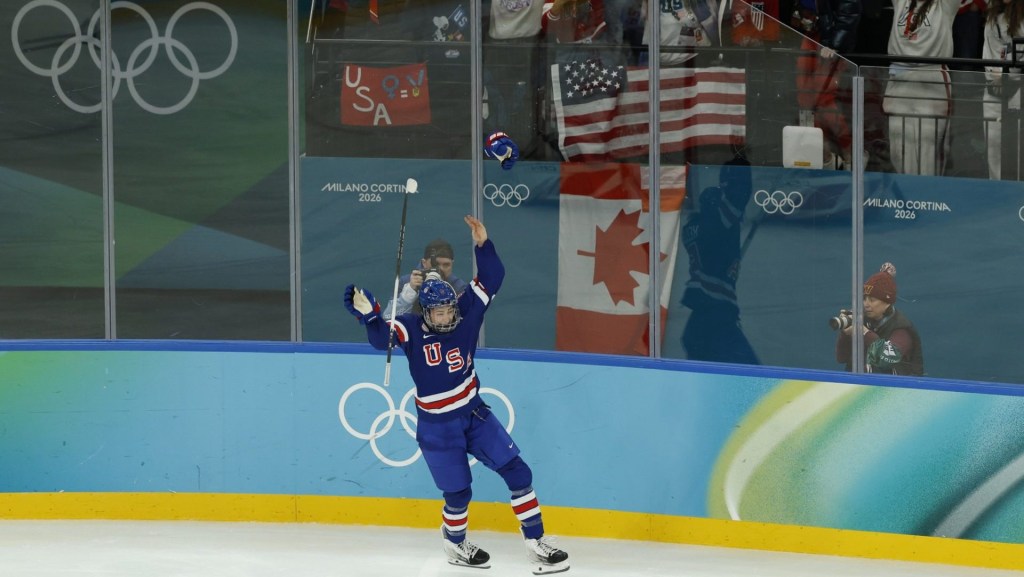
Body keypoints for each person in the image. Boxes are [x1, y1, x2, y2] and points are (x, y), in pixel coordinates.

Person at [343, 215, 570, 575]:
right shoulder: (410, 325)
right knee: (459, 494)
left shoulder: (466, 312)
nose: (447, 316)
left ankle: (536, 542)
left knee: (518, 471)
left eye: (450, 308)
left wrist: (484, 244)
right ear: (425, 311)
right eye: (439, 311)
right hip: (437, 427)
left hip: (474, 413)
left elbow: (493, 278)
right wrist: (370, 315)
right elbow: (379, 339)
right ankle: (454, 543)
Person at [680, 155, 760, 365]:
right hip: (715, 320)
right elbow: (738, 195)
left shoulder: (693, 228)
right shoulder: (718, 222)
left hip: (700, 322)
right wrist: (739, 171)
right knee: (754, 377)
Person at [883, 0, 959, 176]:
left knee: (928, 148)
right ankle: (906, 196)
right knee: (898, 147)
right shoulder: (902, 1)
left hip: (930, 77)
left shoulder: (945, 5)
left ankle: (929, 197)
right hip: (899, 78)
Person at [788, 0, 862, 169]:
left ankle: (850, 153)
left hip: (829, 40)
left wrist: (836, 44)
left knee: (824, 99)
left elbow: (850, 9)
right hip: (808, 31)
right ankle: (825, 155)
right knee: (804, 96)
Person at [834, 263, 924, 375]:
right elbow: (842, 358)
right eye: (864, 299)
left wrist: (864, 332)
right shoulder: (864, 319)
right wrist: (846, 333)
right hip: (863, 387)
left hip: (900, 389)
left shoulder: (901, 328)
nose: (866, 304)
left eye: (872, 300)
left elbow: (887, 358)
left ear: (887, 302)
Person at [981, 0, 1024, 180]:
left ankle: (1017, 196)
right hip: (992, 87)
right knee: (992, 145)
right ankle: (996, 190)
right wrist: (995, 74)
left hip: (1018, 88)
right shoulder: (992, 14)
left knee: (1017, 147)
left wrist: (1010, 74)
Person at [383, 238, 468, 320]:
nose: (440, 269)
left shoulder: (458, 287)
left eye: (446, 265)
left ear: (452, 264)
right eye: (435, 264)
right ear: (424, 263)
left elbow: (466, 320)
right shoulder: (406, 282)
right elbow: (388, 318)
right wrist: (409, 293)